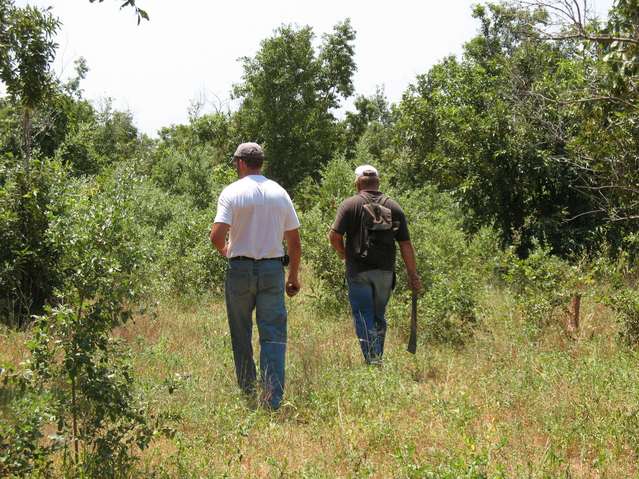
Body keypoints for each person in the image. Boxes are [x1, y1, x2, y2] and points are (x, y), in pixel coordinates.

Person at [210, 142, 301, 410]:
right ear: (261, 162)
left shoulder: (232, 192)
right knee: (272, 333)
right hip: (273, 270)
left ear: (240, 163)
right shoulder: (280, 193)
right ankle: (272, 398)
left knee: (241, 331)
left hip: (239, 269)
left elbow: (216, 236)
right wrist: (293, 276)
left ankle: (248, 389)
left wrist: (227, 251)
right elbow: (294, 243)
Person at [328, 164, 422, 365]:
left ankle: (373, 360)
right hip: (385, 273)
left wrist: (344, 254)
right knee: (379, 316)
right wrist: (413, 275)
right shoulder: (394, 206)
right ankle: (377, 358)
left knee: (363, 317)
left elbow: (334, 236)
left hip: (358, 272)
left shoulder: (349, 205)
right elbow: (405, 244)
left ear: (357, 183)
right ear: (378, 182)